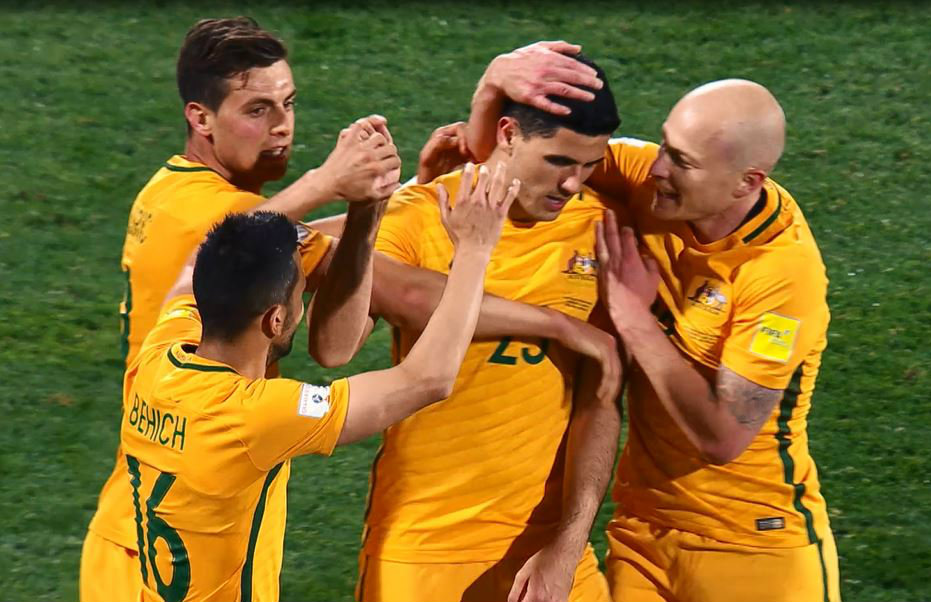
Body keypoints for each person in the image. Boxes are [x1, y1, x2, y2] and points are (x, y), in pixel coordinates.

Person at [464, 48, 841, 602]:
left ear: (746, 181)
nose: (657, 167)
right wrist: (492, 83)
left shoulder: (781, 275)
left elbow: (722, 436)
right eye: (666, 144)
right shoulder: (652, 183)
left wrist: (634, 319)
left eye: (682, 162)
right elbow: (515, 163)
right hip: (641, 537)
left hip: (753, 549)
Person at [81, 16, 400, 602]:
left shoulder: (167, 190)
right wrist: (332, 180)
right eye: (257, 110)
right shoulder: (207, 222)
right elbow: (392, 301)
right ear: (199, 118)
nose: (282, 127)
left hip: (148, 515)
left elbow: (333, 345)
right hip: (180, 534)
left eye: (289, 104)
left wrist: (371, 206)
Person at [116, 160, 518, 602]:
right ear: (275, 321)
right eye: (301, 293)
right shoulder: (251, 417)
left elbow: (191, 272)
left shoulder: (157, 357)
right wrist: (475, 251)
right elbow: (428, 378)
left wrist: (370, 208)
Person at [350, 49, 623, 602]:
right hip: (425, 546)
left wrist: (569, 546)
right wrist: (557, 325)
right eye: (557, 162)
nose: (573, 184)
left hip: (546, 552)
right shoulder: (428, 213)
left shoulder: (599, 228)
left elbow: (602, 400)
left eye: (589, 166)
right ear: (508, 133)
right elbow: (390, 288)